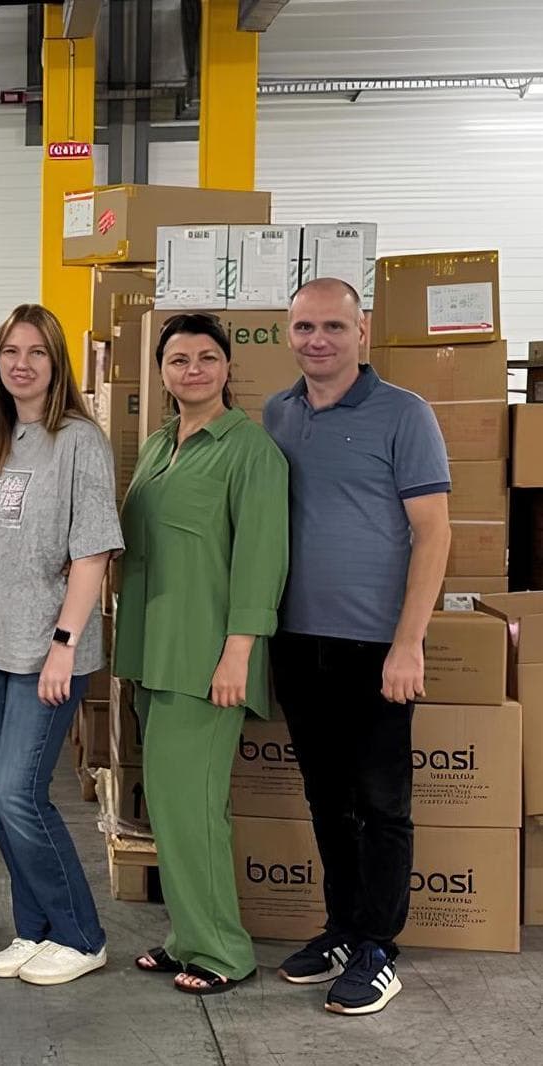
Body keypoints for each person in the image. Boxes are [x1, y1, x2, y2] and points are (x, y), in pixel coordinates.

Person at [262, 278, 451, 1016]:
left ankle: (377, 946)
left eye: (334, 327)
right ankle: (342, 928)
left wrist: (409, 643)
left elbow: (433, 534)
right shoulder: (278, 414)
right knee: (326, 798)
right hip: (299, 641)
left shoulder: (405, 414)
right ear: (288, 334)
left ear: (362, 331)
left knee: (380, 804)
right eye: (305, 327)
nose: (318, 340)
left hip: (376, 646)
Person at [113, 314, 288, 994]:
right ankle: (187, 936)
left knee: (193, 808)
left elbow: (261, 559)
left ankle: (223, 952)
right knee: (170, 804)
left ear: (227, 368)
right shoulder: (160, 445)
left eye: (206, 358)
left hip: (206, 659)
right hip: (152, 651)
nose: (193, 370)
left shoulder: (251, 451)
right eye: (179, 359)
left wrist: (238, 653)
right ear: (162, 372)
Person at [0, 303, 122, 987]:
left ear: (57, 364)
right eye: (10, 352)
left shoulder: (79, 441)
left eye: (36, 352)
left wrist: (64, 644)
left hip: (46, 652)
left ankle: (82, 935)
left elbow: (93, 553)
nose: (21, 364)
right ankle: (34, 928)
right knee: (2, 803)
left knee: (19, 795)